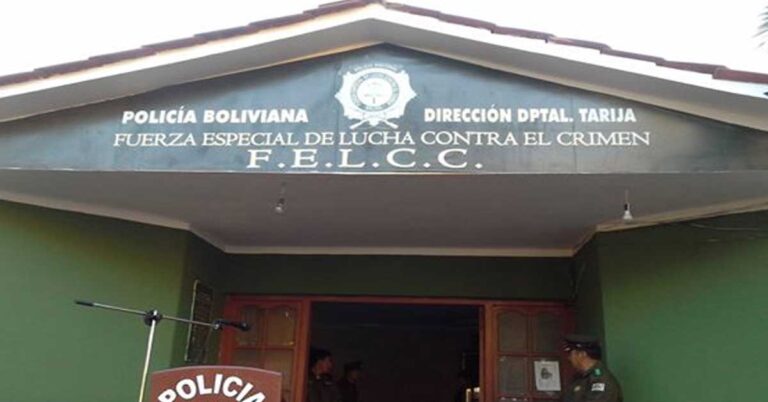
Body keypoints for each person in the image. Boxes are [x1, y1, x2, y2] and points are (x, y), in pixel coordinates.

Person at [561, 334, 623, 402]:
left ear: (582, 354)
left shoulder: (601, 380)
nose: (569, 358)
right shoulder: (578, 379)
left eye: (570, 354)